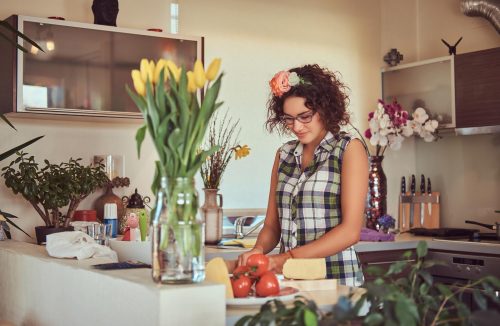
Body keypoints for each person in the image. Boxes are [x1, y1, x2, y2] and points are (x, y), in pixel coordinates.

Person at [237, 64, 368, 286]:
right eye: (289, 118)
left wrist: (285, 259)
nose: (296, 126)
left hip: (335, 279)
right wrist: (257, 250)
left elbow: (350, 231)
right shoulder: (284, 154)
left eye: (305, 116)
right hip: (289, 281)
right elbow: (271, 226)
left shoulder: (348, 149)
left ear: (325, 109)